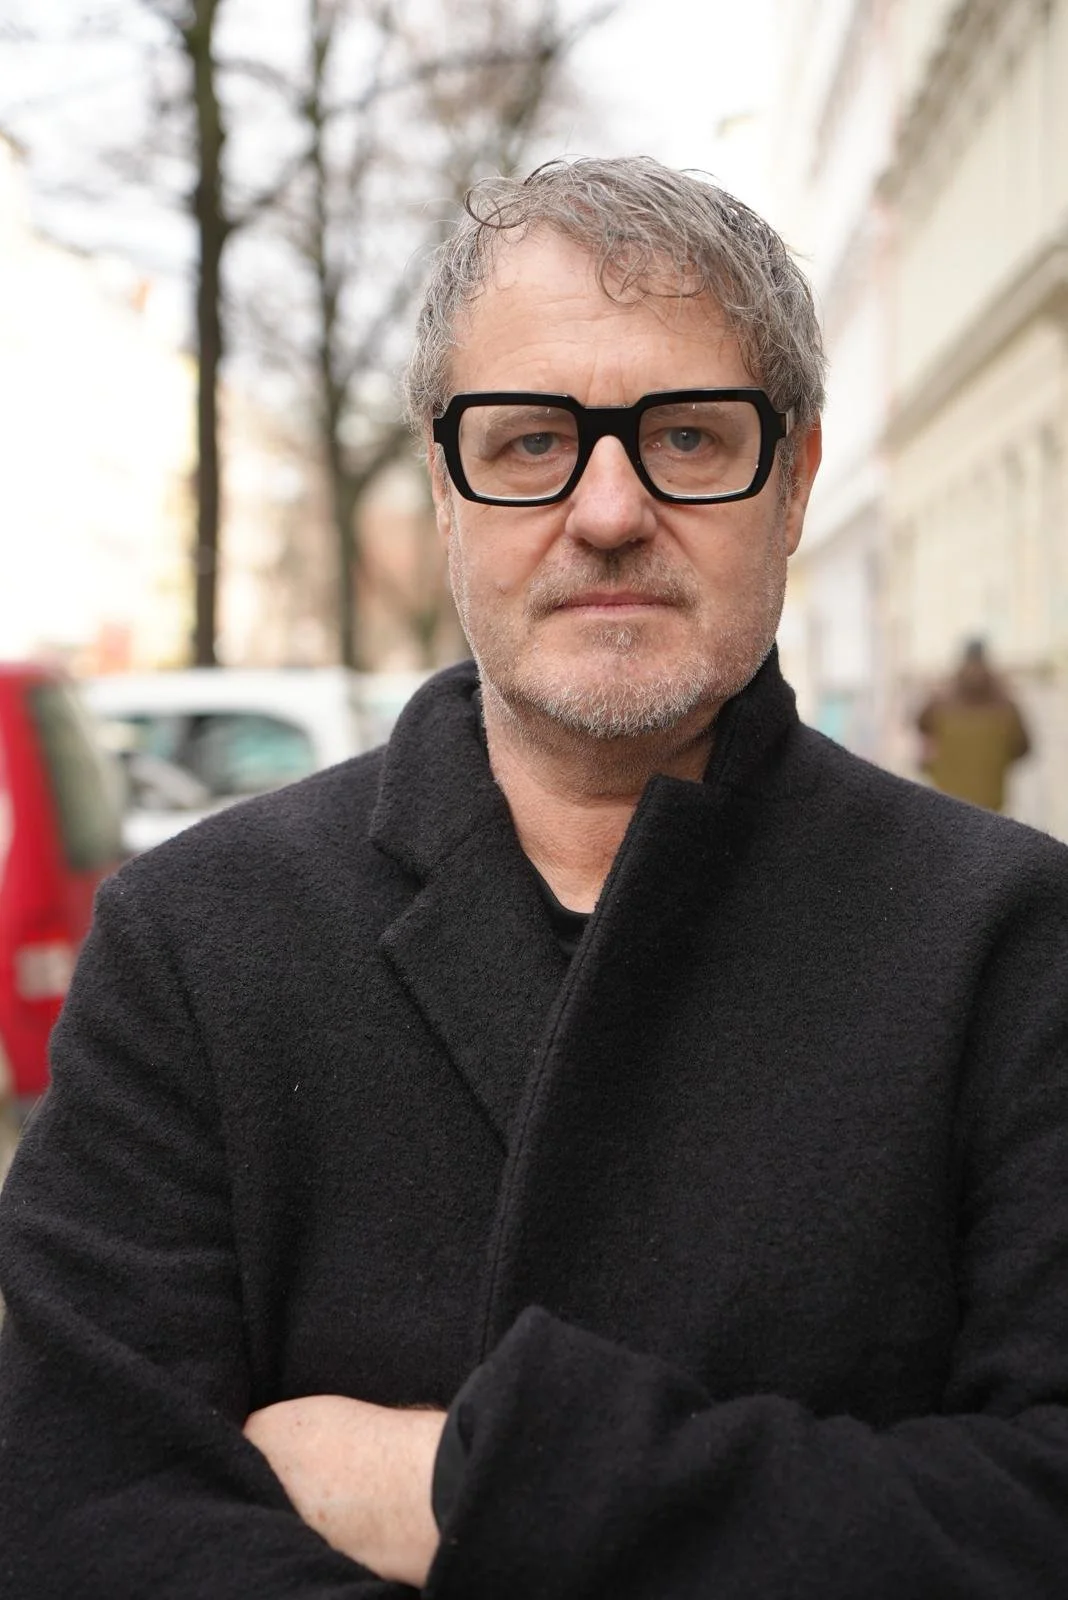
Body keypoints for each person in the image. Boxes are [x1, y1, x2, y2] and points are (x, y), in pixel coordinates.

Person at [2, 157, 1068, 1600]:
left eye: (687, 436)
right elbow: (78, 1515)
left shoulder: (1011, 942)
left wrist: (472, 1484)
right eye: (527, 442)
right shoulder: (192, 943)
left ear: (797, 479)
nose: (610, 508)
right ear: (446, 486)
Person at [917, 637, 1032, 811]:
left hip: (949, 805)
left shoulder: (939, 703)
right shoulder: (1005, 706)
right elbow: (1023, 748)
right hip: (988, 808)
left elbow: (921, 729)